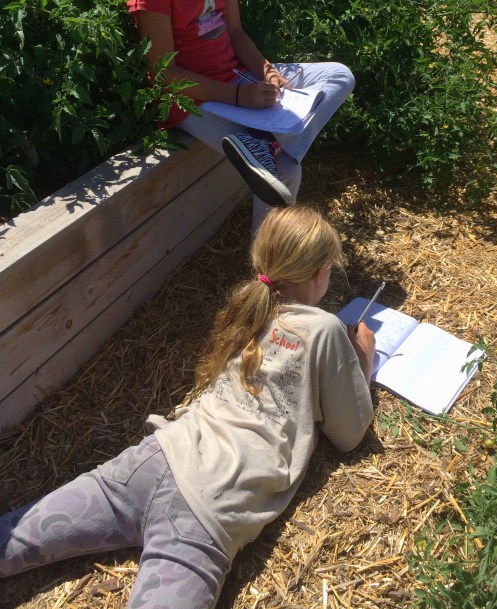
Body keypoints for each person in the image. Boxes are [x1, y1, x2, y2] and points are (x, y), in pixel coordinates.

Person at [0, 205, 375, 608]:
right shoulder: (325, 327)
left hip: (152, 460)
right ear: (321, 273)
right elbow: (349, 435)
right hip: (209, 504)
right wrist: (363, 364)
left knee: (14, 537)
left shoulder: (249, 307)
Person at [128, 0, 355, 231]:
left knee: (339, 76)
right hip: (190, 101)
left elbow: (234, 31)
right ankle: (269, 278)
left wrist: (266, 72)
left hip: (236, 81)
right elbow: (164, 75)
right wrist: (237, 96)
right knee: (283, 174)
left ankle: (272, 145)